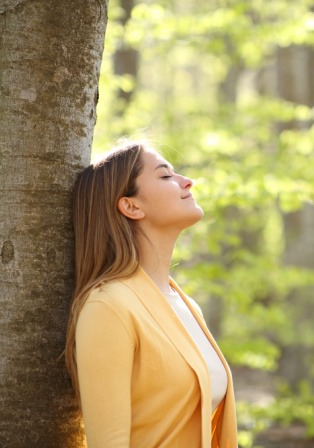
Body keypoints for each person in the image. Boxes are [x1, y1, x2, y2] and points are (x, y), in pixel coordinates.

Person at [64, 140, 237, 447]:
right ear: (131, 205)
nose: (187, 181)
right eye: (165, 176)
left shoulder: (185, 303)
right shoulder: (108, 305)